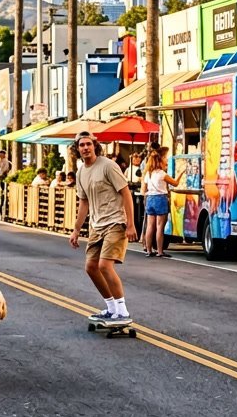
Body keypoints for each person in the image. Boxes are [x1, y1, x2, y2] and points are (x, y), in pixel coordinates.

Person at [69, 132, 138, 324]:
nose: (85, 148)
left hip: (115, 222)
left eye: (88, 144)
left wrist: (131, 224)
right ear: (77, 149)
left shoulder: (108, 166)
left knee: (104, 266)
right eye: (81, 145)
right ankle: (111, 308)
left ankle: (122, 311)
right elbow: (84, 202)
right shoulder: (81, 172)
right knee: (91, 267)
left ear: (95, 146)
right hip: (96, 225)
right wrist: (76, 229)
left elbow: (126, 193)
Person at [142, 147, 182, 258]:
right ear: (160, 161)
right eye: (164, 158)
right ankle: (160, 251)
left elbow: (144, 190)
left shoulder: (148, 174)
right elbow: (175, 183)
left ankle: (149, 250)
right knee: (160, 227)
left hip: (150, 199)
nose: (166, 160)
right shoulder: (162, 174)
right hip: (160, 199)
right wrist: (181, 173)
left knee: (150, 226)